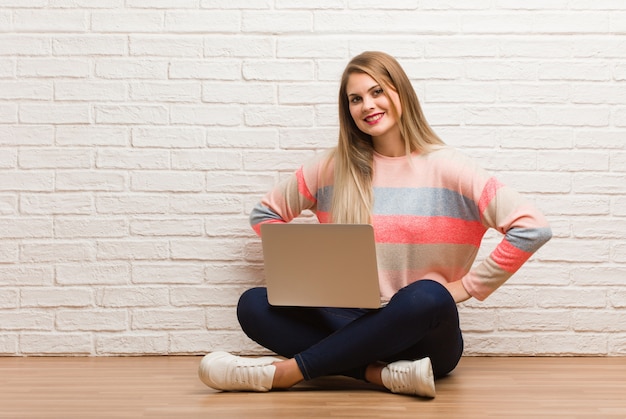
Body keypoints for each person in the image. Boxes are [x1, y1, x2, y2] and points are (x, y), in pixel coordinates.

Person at [197, 51, 552, 398]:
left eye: (376, 91)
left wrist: (466, 287)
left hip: (422, 336)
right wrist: (308, 259)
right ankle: (378, 374)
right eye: (355, 98)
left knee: (428, 295)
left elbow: (532, 227)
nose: (366, 105)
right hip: (349, 320)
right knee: (253, 305)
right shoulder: (332, 168)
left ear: (401, 93)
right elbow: (265, 215)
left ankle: (286, 373)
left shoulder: (450, 168)